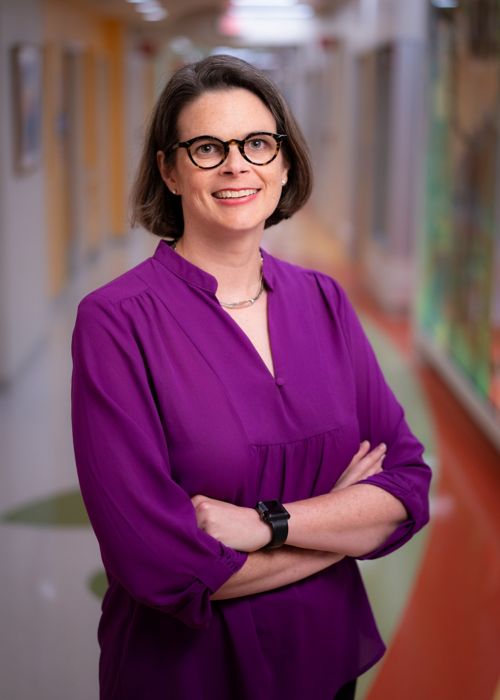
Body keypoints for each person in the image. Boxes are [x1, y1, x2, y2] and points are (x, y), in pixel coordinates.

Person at [71, 55, 431, 700]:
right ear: (169, 170)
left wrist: (268, 523)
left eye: (258, 143)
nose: (238, 165)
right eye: (208, 147)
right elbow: (159, 565)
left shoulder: (324, 300)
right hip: (184, 675)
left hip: (324, 663)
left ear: (285, 162)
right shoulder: (115, 321)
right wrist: (340, 529)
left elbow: (406, 487)